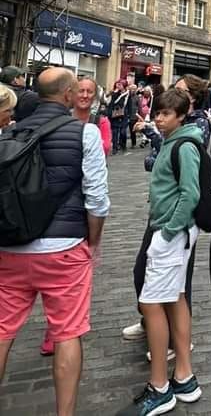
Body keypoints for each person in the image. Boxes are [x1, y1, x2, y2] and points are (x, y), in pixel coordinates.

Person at [0, 67, 109, 416]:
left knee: (2, 330)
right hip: (64, 248)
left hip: (12, 247)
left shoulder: (9, 133)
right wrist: (92, 242)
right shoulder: (85, 134)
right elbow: (97, 200)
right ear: (66, 95)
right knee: (67, 333)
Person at [117, 88, 202, 415]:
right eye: (157, 113)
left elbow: (190, 194)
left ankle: (160, 388)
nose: (159, 118)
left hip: (172, 232)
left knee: (151, 303)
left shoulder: (184, 145)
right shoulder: (173, 139)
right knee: (176, 298)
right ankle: (184, 377)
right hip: (173, 230)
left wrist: (166, 231)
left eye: (165, 114)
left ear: (181, 116)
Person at [174, 75, 211, 149]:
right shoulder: (174, 116)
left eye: (179, 91)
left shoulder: (199, 122)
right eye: (173, 90)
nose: (172, 95)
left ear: (193, 97)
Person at [108, 79, 131, 154]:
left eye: (120, 84)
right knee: (115, 132)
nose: (118, 86)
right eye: (117, 84)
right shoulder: (114, 93)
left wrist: (130, 116)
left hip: (124, 115)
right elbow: (111, 104)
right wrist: (114, 93)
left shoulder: (128, 94)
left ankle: (123, 145)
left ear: (124, 86)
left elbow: (129, 105)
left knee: (123, 132)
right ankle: (115, 148)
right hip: (115, 115)